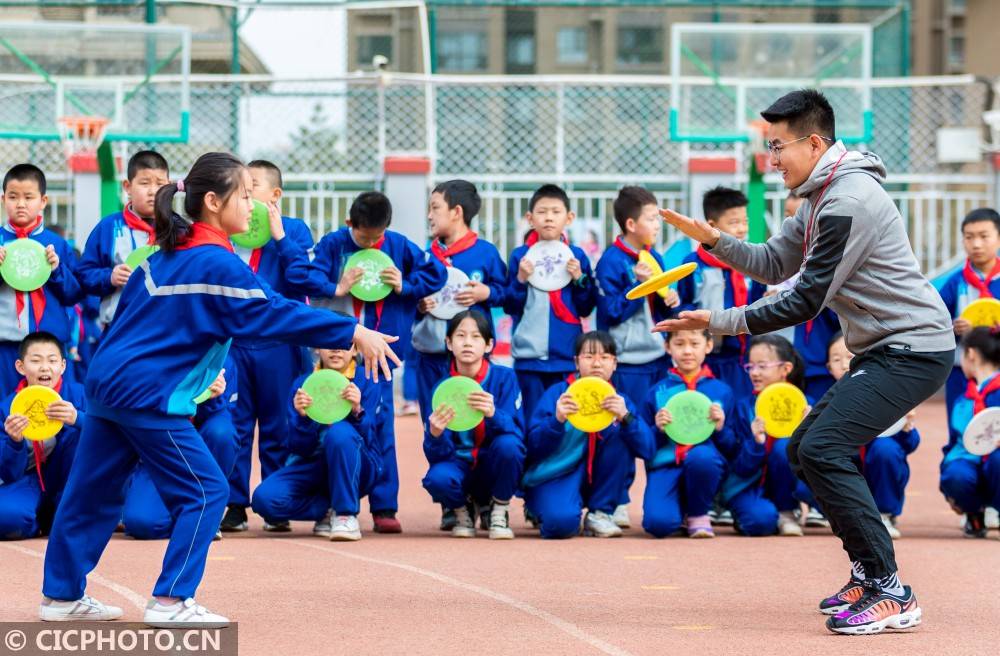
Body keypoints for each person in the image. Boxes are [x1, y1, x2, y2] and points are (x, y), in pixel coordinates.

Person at [38, 152, 400, 627]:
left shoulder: (170, 252)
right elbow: (273, 314)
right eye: (245, 194)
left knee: (90, 494)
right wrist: (351, 331)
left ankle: (61, 597)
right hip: (147, 395)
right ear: (212, 201)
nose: (253, 205)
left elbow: (246, 306)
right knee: (207, 491)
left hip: (109, 386)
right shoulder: (212, 261)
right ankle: (170, 602)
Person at [659, 89, 954, 635]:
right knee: (806, 449)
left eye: (778, 147)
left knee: (822, 446)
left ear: (814, 142)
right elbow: (774, 264)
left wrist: (717, 322)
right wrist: (715, 240)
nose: (771, 160)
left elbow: (803, 299)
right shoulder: (820, 195)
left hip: (915, 348)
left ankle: (891, 590)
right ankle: (871, 574)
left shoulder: (849, 202)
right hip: (886, 347)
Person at [306, 191, 447, 533]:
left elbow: (436, 274)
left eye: (376, 237)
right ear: (349, 224)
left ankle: (384, 505)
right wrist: (336, 286)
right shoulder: (333, 244)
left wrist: (406, 285)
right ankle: (333, 502)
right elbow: (306, 277)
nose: (370, 243)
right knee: (333, 422)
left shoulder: (398, 245)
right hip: (340, 350)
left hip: (382, 350)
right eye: (363, 237)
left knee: (381, 425)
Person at [221, 159, 324, 534]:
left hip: (279, 342)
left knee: (279, 422)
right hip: (233, 343)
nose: (246, 194)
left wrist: (280, 237)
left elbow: (306, 281)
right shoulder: (229, 228)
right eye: (242, 187)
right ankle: (233, 502)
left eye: (254, 186)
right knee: (235, 423)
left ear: (276, 194)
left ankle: (273, 498)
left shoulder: (294, 230)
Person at [522, 331, 654, 539]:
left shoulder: (619, 401)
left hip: (601, 481)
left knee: (621, 433)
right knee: (561, 525)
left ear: (615, 363)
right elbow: (533, 447)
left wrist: (626, 418)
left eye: (604, 357)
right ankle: (541, 507)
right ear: (576, 362)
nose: (597, 364)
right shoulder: (558, 395)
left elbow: (647, 449)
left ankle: (600, 513)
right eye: (589, 356)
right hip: (558, 475)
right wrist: (556, 421)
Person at [251, 344, 382, 541]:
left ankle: (346, 513)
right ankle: (326, 510)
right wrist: (303, 419)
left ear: (355, 350)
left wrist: (357, 410)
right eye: (330, 344)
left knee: (339, 433)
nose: (336, 350)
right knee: (264, 499)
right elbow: (298, 447)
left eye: (345, 345)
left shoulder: (366, 379)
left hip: (357, 464)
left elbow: (371, 438)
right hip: (313, 464)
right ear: (317, 349)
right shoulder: (303, 385)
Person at [422, 310, 524, 539]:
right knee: (437, 478)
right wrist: (435, 435)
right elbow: (436, 455)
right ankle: (461, 508)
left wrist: (494, 414)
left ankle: (499, 507)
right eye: (460, 336)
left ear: (489, 345)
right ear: (449, 343)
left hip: (491, 465)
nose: (467, 343)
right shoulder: (441, 388)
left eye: (476, 337)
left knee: (510, 446)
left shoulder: (505, 378)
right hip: (460, 465)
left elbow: (519, 432)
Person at [504, 184, 597, 423]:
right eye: (542, 212)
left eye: (556, 212)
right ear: (530, 218)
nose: (548, 218)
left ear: (569, 218)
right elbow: (511, 307)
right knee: (531, 419)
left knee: (566, 420)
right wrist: (520, 280)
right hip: (529, 358)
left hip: (566, 355)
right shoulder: (520, 256)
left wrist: (579, 279)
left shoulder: (577, 256)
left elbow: (586, 307)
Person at [640, 329, 732, 538]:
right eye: (679, 344)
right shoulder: (657, 391)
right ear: (667, 347)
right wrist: (658, 430)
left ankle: (698, 513)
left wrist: (720, 428)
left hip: (704, 465)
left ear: (708, 346)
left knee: (702, 457)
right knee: (658, 525)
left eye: (694, 343)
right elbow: (644, 446)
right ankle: (676, 509)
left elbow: (733, 446)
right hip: (667, 464)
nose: (687, 351)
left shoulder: (722, 391)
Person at [0, 164, 84, 391]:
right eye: (13, 197)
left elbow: (74, 294)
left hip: (48, 349)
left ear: (43, 201)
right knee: (4, 411)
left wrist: (56, 270)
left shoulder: (57, 245)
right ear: (2, 198)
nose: (20, 204)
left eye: (29, 197)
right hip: (5, 344)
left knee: (50, 411)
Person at [827, 333, 918, 539]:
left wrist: (907, 427)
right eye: (836, 359)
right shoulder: (823, 400)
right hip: (847, 468)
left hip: (873, 466)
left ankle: (883, 514)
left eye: (850, 357)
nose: (843, 364)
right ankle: (833, 511)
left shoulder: (887, 394)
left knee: (885, 450)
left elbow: (910, 445)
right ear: (827, 367)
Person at [678, 186, 763, 397]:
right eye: (734, 223)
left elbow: (757, 301)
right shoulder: (693, 265)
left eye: (745, 222)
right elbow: (684, 304)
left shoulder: (751, 260)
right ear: (712, 226)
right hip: (706, 354)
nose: (742, 229)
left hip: (742, 355)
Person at [0, 332, 84, 539]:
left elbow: (108, 437)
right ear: (20, 367)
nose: (45, 367)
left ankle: (60, 511)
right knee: (7, 519)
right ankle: (40, 518)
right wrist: (15, 442)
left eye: (52, 360)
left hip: (70, 482)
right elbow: (8, 472)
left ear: (63, 366)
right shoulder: (8, 407)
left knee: (81, 434)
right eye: (36, 361)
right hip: (27, 479)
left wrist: (78, 418)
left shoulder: (79, 395)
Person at [77, 151, 170, 330]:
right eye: (144, 183)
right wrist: (109, 277)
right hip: (118, 328)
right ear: (127, 186)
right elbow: (83, 275)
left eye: (160, 184)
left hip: (164, 330)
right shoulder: (108, 228)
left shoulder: (179, 231)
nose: (152, 191)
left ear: (169, 186)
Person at [936, 208, 1000, 443]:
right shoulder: (954, 282)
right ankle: (956, 475)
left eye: (984, 236)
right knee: (959, 428)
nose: (976, 244)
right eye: (969, 237)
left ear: (998, 238)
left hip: (997, 369)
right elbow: (935, 322)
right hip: (963, 372)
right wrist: (953, 328)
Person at [939, 327, 1000, 539]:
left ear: (971, 354)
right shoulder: (964, 398)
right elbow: (955, 440)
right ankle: (974, 515)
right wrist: (946, 481)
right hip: (970, 461)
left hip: (995, 463)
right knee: (956, 474)